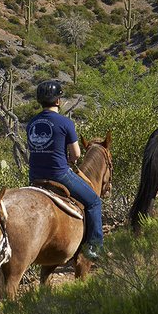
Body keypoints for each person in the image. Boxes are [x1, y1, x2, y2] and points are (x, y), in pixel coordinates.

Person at [25, 80, 104, 260]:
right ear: (58, 101)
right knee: (93, 202)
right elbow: (76, 154)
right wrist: (68, 160)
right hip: (59, 174)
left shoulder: (31, 123)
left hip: (35, 176)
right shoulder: (65, 122)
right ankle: (95, 248)